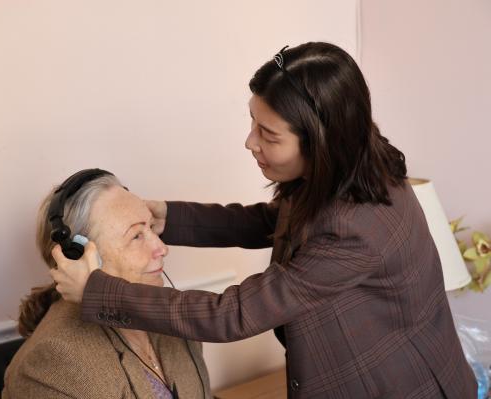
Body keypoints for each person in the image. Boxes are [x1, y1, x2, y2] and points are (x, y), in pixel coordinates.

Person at [50, 42, 477, 398]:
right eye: (253, 122)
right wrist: (169, 217)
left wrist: (98, 291)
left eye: (269, 136)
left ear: (321, 141)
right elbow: (271, 221)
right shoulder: (344, 168)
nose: (250, 142)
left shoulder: (356, 226)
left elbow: (232, 315)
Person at [3, 171, 211, 399]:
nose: (162, 248)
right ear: (78, 257)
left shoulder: (168, 317)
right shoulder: (51, 365)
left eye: (151, 228)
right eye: (136, 236)